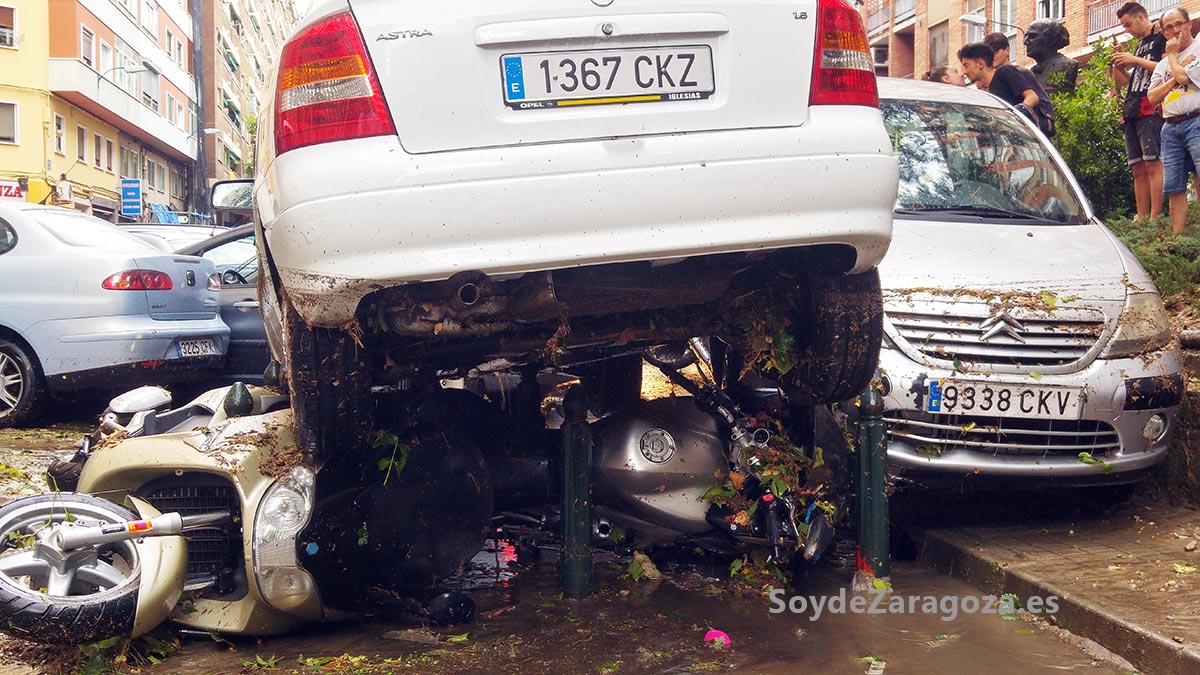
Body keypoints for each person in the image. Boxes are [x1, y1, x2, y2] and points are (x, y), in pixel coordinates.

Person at [1112, 1, 1167, 221]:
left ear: (1141, 17)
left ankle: (1155, 216)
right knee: (1137, 168)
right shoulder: (1140, 43)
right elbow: (1132, 81)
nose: (1127, 30)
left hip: (1150, 107)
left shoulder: (1160, 36)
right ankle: (1141, 216)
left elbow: (1166, 68)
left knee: (1152, 163)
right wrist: (1122, 68)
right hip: (1132, 108)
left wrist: (1134, 59)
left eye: (1128, 24)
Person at [1147, 7, 1200, 233]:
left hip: (1196, 119)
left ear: (1189, 24)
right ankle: (1177, 237)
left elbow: (1182, 76)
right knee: (1173, 186)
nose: (1175, 30)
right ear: (1164, 32)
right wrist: (1172, 79)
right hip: (1170, 127)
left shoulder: (1198, 49)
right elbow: (1152, 97)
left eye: (1179, 23)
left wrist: (1172, 56)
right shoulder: (1160, 66)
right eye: (1169, 27)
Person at [983, 32, 1057, 136]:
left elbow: (1032, 98)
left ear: (1007, 50)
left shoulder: (1011, 71)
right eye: (990, 55)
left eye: (995, 53)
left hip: (1034, 126)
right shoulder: (1003, 75)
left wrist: (1014, 118)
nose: (993, 58)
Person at [958, 43, 1042, 124]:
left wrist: (1013, 117)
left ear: (980, 64)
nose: (964, 72)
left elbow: (1032, 97)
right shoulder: (988, 91)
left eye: (966, 65)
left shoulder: (1005, 72)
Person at [1024, 19, 1080, 95]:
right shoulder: (1032, 73)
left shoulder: (1068, 65)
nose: (1025, 42)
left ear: (1050, 39)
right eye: (1025, 36)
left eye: (1032, 36)